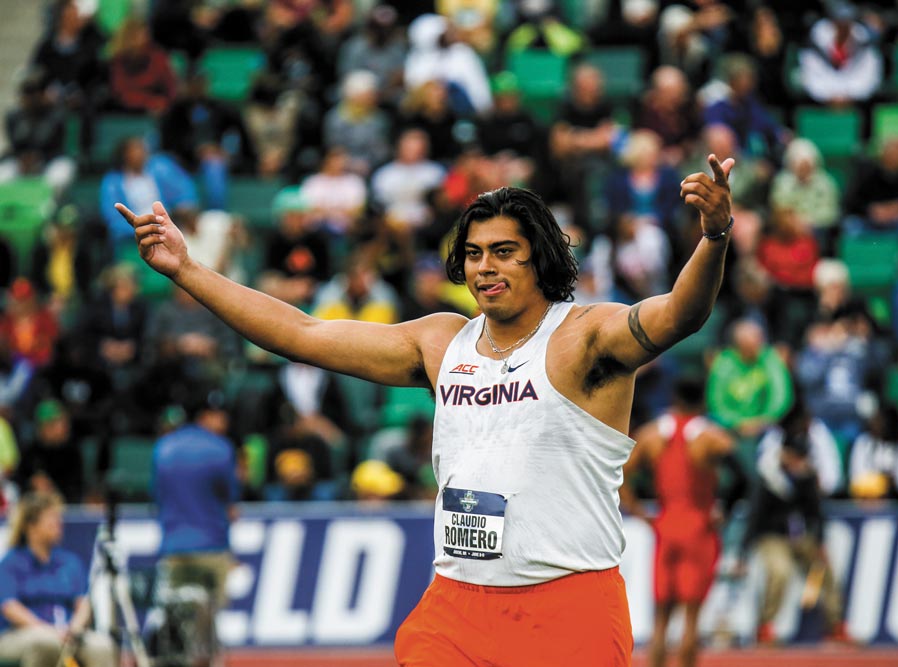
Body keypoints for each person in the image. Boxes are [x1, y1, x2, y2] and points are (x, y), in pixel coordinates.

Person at [114, 149, 737, 666]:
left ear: (539, 256)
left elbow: (680, 314)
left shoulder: (585, 336)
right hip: (457, 606)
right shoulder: (441, 341)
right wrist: (189, 270)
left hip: (567, 606)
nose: (485, 268)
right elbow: (301, 333)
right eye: (473, 254)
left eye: (503, 251)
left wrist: (712, 237)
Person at [620, 377, 743, 667]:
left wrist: (638, 511)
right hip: (699, 525)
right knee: (691, 618)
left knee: (661, 616)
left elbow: (622, 473)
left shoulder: (651, 434)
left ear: (674, 398)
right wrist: (724, 508)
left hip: (665, 523)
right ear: (702, 402)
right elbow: (743, 477)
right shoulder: (710, 437)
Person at [150, 387, 238, 663]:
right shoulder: (221, 449)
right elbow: (230, 499)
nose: (223, 423)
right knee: (209, 619)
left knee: (172, 617)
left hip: (173, 547)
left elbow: (157, 497)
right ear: (208, 416)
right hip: (211, 547)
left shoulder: (163, 448)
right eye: (220, 416)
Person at [739, 431, 851, 646]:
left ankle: (835, 625)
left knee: (824, 569)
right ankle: (765, 626)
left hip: (800, 536)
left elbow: (816, 513)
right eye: (796, 456)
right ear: (784, 454)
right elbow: (754, 517)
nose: (799, 461)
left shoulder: (806, 477)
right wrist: (743, 553)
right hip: (771, 536)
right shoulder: (767, 477)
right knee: (780, 571)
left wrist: (819, 542)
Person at [0, 491, 115, 667]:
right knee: (46, 644)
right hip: (20, 633)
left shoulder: (70, 562)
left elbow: (83, 603)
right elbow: (9, 607)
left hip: (67, 632)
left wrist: (74, 629)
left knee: (102, 647)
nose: (58, 524)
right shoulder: (11, 562)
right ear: (31, 526)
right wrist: (47, 630)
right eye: (51, 519)